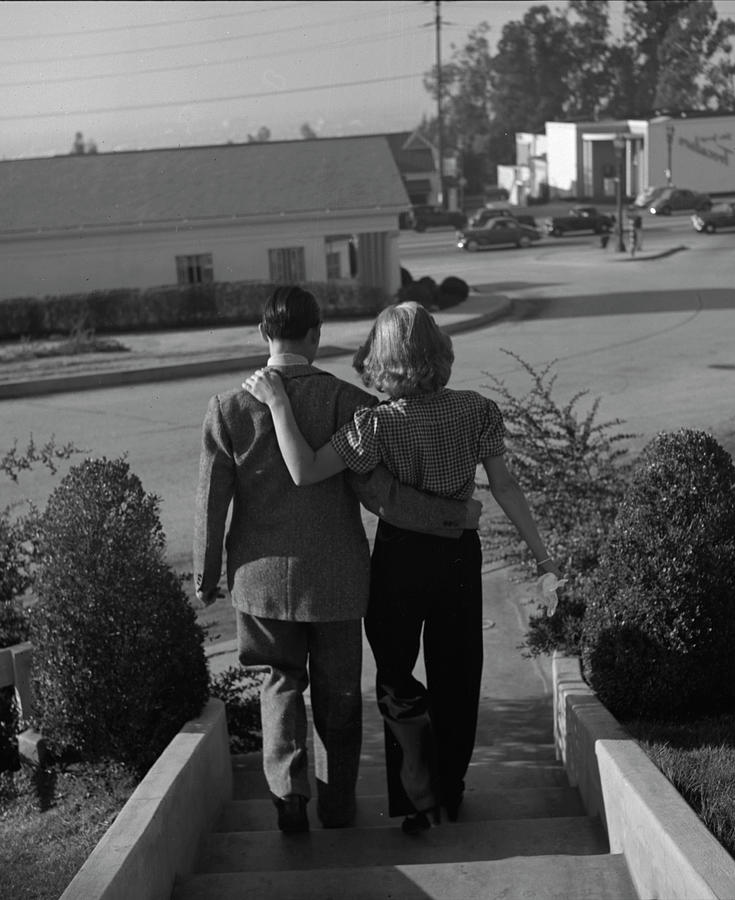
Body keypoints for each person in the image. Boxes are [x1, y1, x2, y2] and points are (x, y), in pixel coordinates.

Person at [243, 301, 561, 835]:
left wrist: (277, 403)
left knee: (396, 678)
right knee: (458, 676)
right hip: (461, 557)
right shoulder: (478, 410)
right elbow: (504, 487)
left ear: (381, 359)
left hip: (399, 560)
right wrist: (544, 556)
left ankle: (420, 801)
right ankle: (451, 791)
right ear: (439, 351)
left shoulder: (376, 425)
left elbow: (303, 470)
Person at [193, 286, 478, 835]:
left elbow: (212, 504)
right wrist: (454, 516)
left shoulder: (228, 408)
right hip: (340, 580)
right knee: (339, 696)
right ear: (316, 335)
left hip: (261, 582)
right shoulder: (350, 402)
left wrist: (207, 577)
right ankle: (339, 806)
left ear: (262, 333)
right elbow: (382, 496)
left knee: (279, 682)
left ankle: (288, 793)